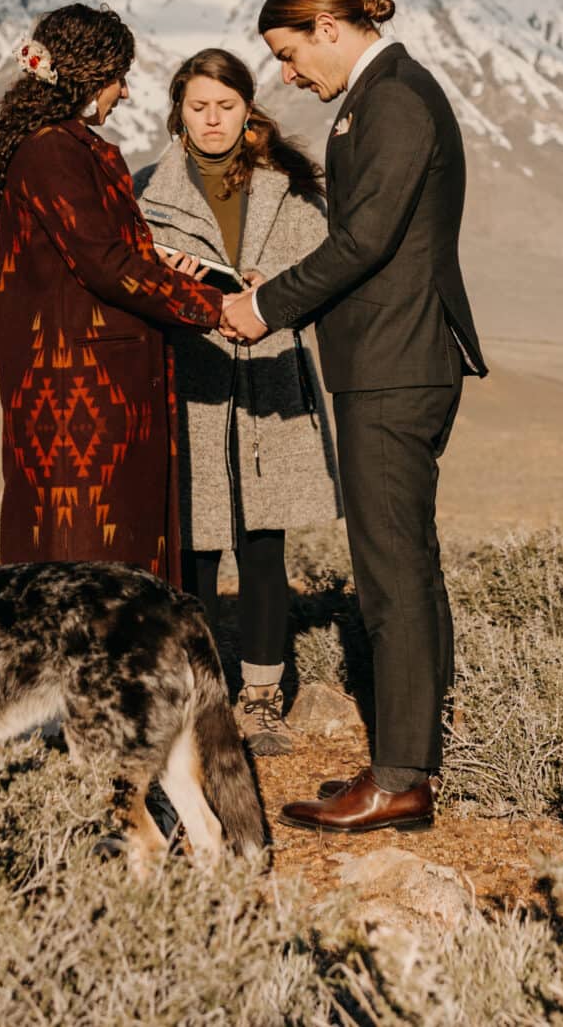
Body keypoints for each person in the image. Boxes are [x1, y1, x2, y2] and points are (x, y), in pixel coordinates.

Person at [220, 0, 486, 834]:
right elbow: (373, 238)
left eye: (289, 54)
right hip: (387, 355)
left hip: (395, 365)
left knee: (392, 573)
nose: (287, 77)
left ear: (327, 28)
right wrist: (286, 282)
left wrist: (265, 305)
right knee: (403, 561)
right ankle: (408, 753)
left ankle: (405, 777)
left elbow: (368, 238)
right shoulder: (377, 98)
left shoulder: (397, 99)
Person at [134, 49, 342, 757]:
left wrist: (270, 285)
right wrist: (179, 287)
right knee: (192, 546)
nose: (213, 119)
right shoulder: (143, 193)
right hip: (189, 383)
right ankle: (195, 693)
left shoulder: (291, 191)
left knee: (263, 543)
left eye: (226, 106)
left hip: (269, 383)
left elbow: (323, 276)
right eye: (199, 107)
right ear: (178, 112)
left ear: (247, 109)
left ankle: (260, 699)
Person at [0, 3, 225, 578]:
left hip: (88, 392)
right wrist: (213, 308)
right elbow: (104, 263)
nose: (125, 93)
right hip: (80, 400)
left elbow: (98, 250)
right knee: (90, 562)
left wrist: (174, 268)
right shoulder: (53, 152)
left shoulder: (61, 147)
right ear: (87, 76)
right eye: (117, 78)